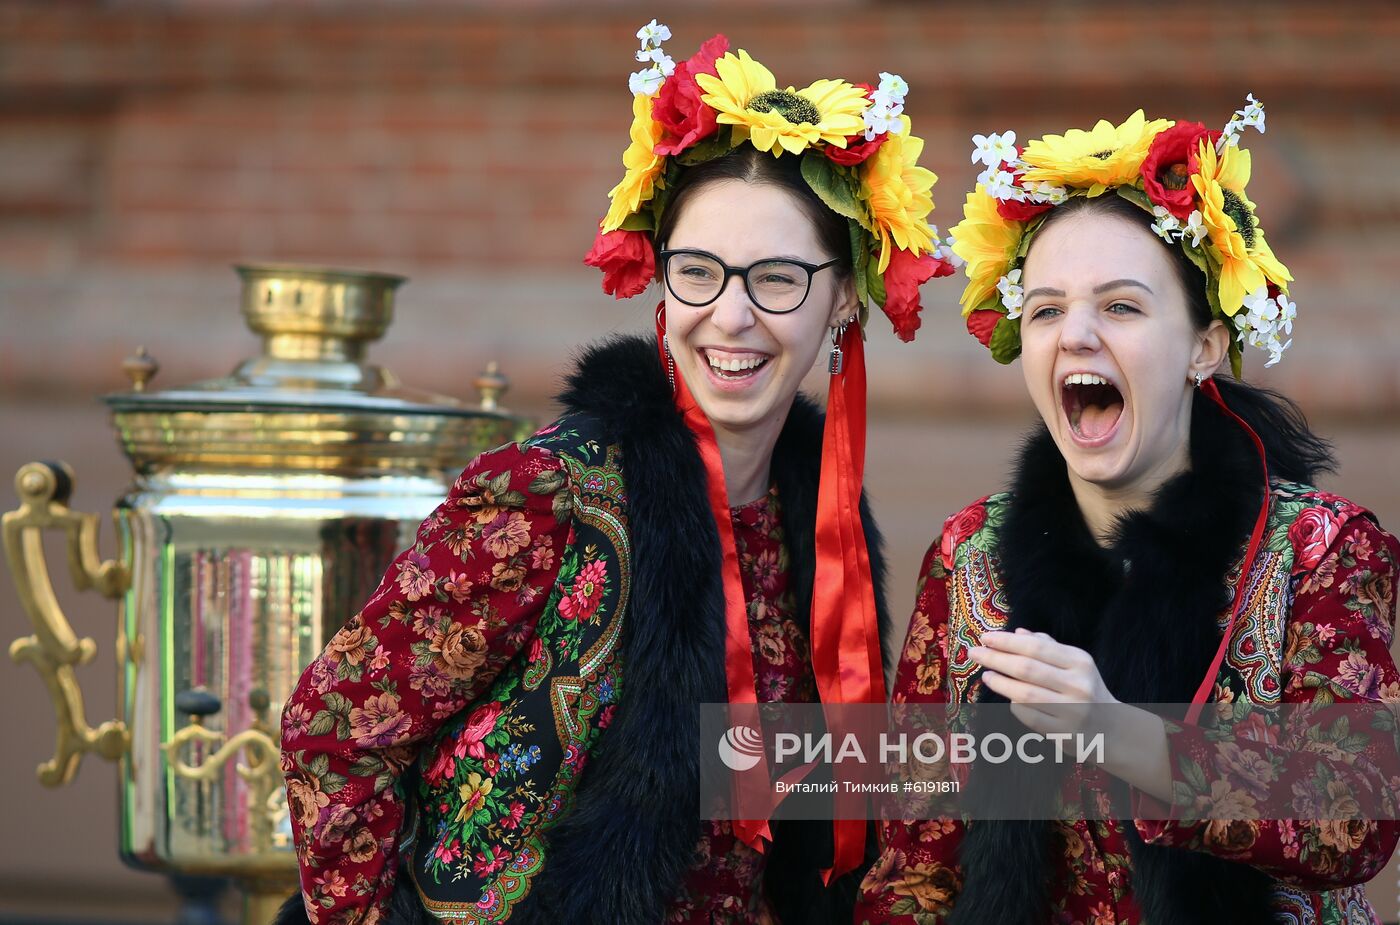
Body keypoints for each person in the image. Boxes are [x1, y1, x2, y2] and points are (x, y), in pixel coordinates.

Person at [276, 23, 955, 925]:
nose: (733, 315)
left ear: (842, 299)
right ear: (662, 286)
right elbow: (333, 726)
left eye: (779, 279)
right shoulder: (550, 496)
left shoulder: (824, 527)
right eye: (700, 272)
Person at [856, 103, 1400, 923]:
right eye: (1045, 310)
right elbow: (911, 870)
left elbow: (1354, 810)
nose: (1075, 334)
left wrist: (1116, 729)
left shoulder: (1321, 550)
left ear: (1204, 348)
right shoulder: (970, 556)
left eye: (1120, 307)